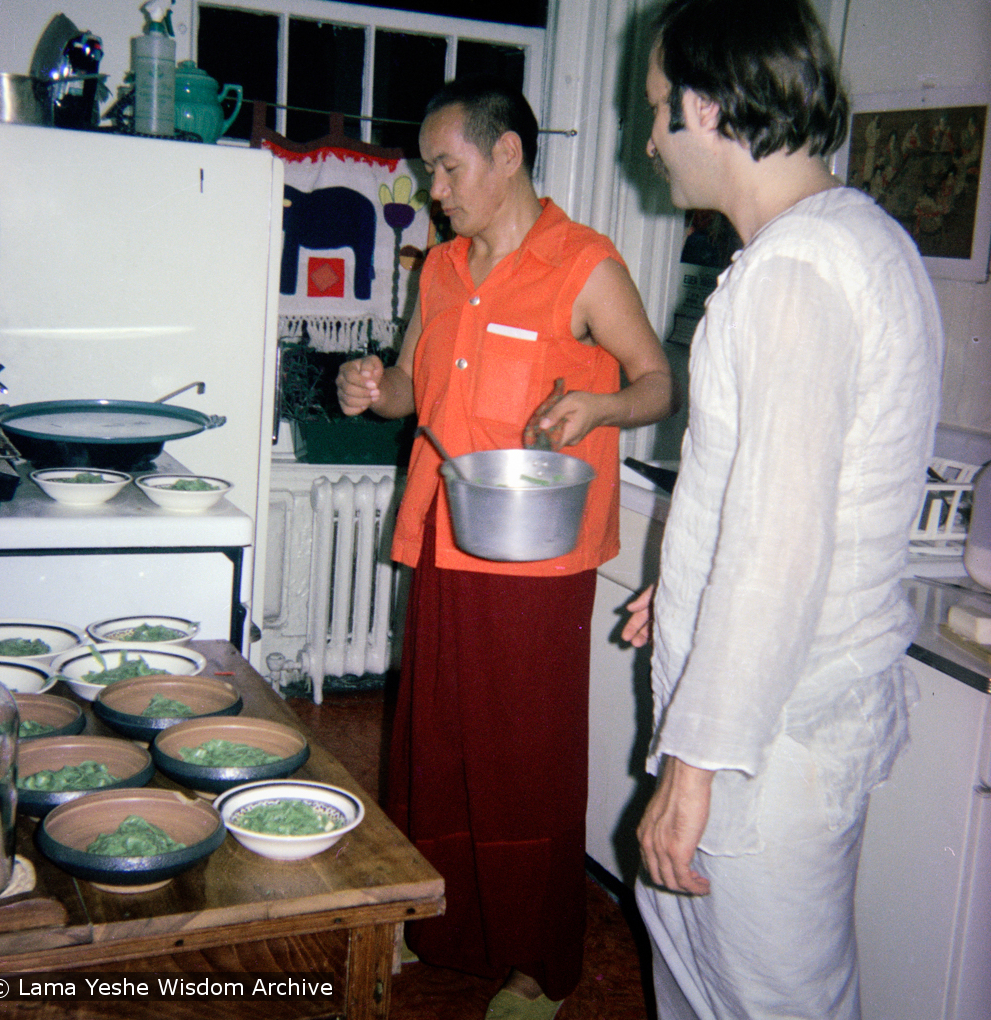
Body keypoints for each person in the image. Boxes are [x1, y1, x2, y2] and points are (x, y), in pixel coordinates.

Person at [622, 2, 944, 1018]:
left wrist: (697, 763)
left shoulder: (793, 272)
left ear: (710, 110)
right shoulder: (855, 237)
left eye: (658, 111)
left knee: (766, 1001)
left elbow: (780, 546)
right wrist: (676, 589)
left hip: (765, 739)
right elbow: (782, 496)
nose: (649, 141)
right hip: (791, 717)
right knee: (699, 960)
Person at [337, 76, 676, 1018]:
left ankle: (539, 962)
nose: (432, 187)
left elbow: (656, 382)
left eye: (445, 167)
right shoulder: (437, 271)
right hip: (445, 536)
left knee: (522, 760)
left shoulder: (583, 264)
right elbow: (413, 388)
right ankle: (432, 917)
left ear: (507, 154)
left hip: (537, 561)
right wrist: (375, 386)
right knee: (433, 743)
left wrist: (603, 403)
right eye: (429, 169)